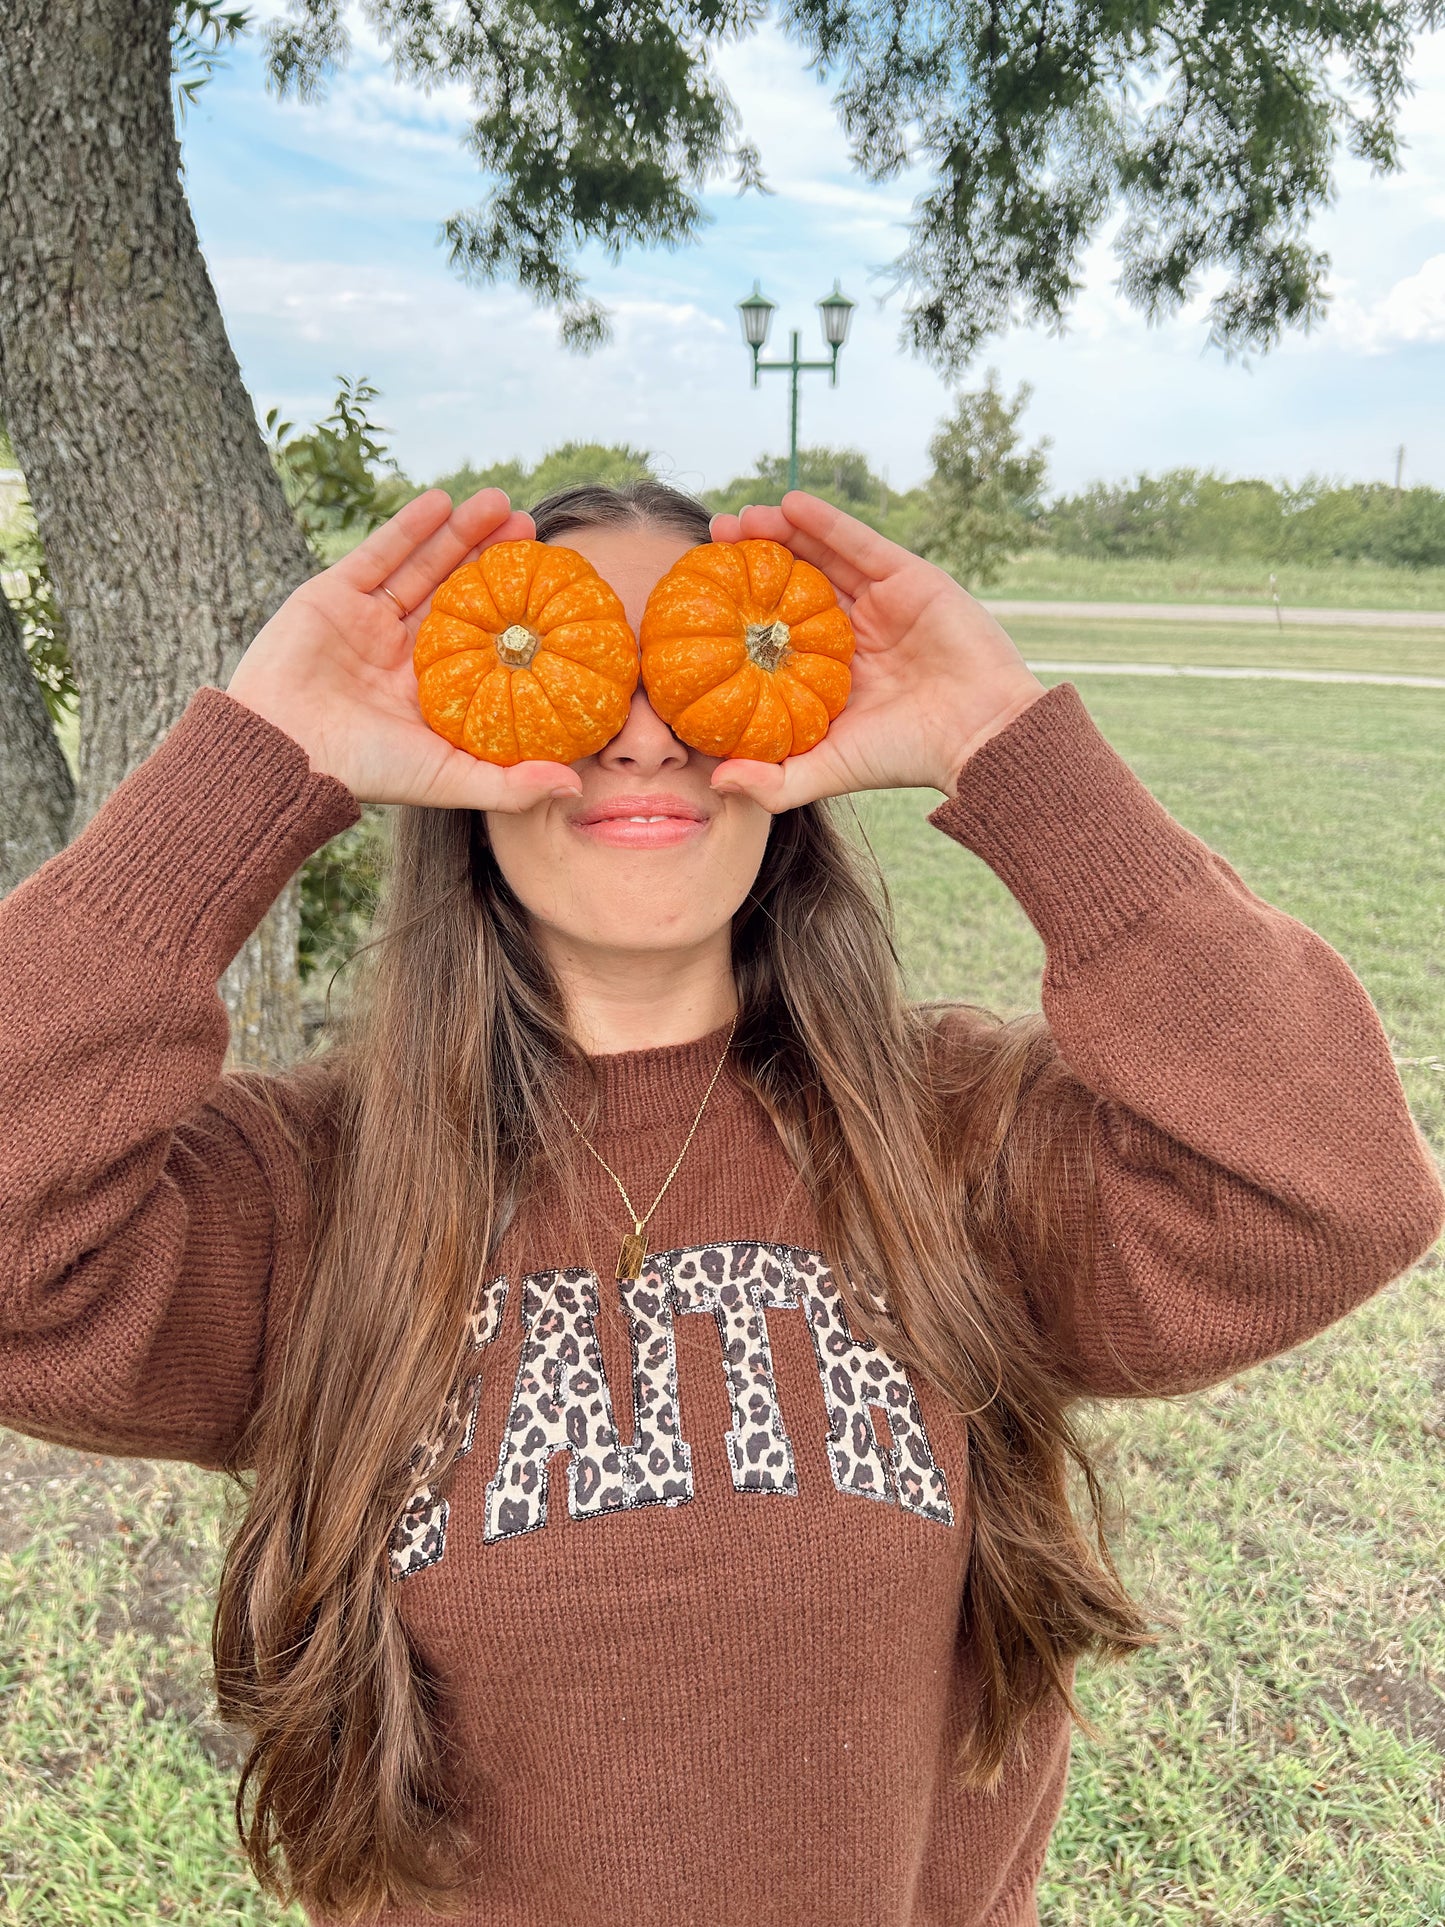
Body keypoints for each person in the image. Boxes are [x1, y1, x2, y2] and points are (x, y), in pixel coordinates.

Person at [0, 478, 1439, 1927]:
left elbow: (1330, 1188)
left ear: (789, 739)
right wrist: (256, 769)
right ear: (462, 738)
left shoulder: (945, 1141)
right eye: (575, 672)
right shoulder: (312, 1194)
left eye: (699, 665)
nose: (643, 732)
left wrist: (1011, 748)